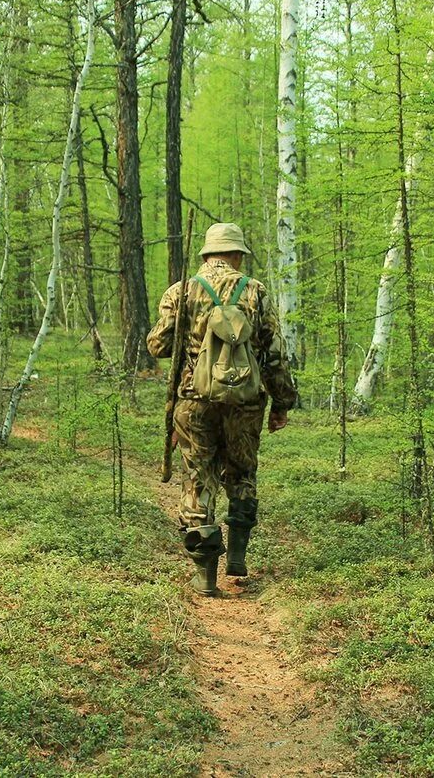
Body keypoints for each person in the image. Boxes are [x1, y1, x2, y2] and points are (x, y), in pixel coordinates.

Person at [147, 222, 298, 595]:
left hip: (193, 401)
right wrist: (282, 402)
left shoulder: (181, 291)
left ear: (206, 254)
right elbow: (274, 353)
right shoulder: (256, 292)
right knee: (243, 472)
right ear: (237, 255)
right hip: (245, 403)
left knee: (198, 479)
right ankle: (237, 557)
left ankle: (204, 575)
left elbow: (158, 347)